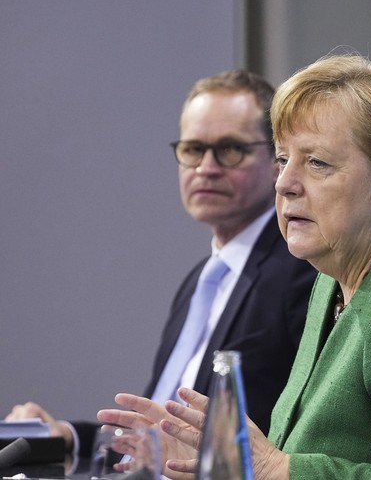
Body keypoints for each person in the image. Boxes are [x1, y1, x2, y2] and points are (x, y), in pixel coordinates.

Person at [97, 53, 371, 479]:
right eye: (281, 159)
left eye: (316, 162)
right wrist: (220, 463)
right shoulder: (333, 277)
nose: (286, 183)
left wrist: (277, 469)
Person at [5, 70, 317, 460]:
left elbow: (299, 435)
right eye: (192, 149)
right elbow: (159, 431)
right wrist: (67, 435)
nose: (206, 167)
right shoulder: (200, 282)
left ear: (277, 161)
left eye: (230, 149)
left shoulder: (302, 268)